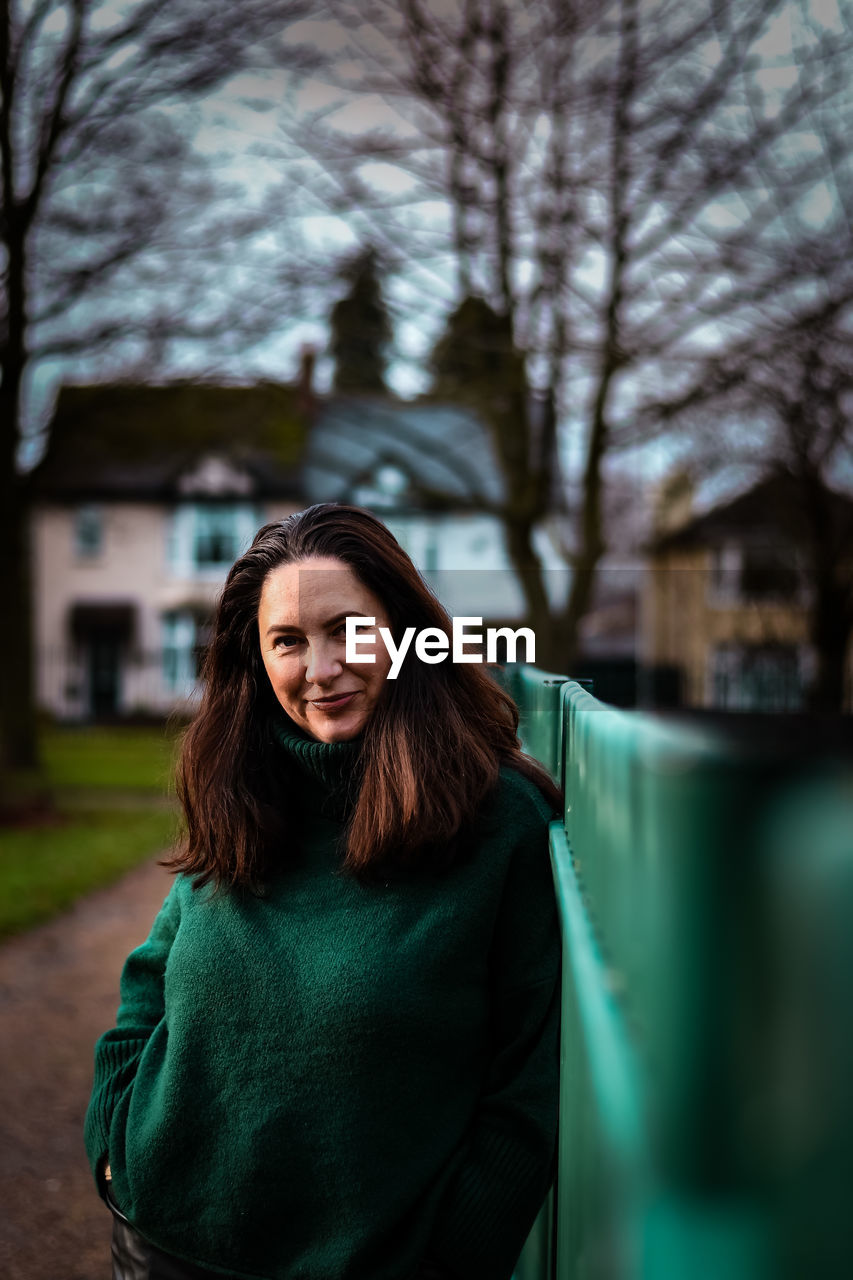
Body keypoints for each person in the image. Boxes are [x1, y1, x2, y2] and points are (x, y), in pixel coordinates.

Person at [85, 503, 562, 1280]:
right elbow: (151, 979)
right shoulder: (240, 787)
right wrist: (113, 1141)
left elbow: (528, 1082)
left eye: (347, 630)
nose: (321, 668)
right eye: (288, 641)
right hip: (161, 1246)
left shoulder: (499, 821)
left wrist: (453, 1255)